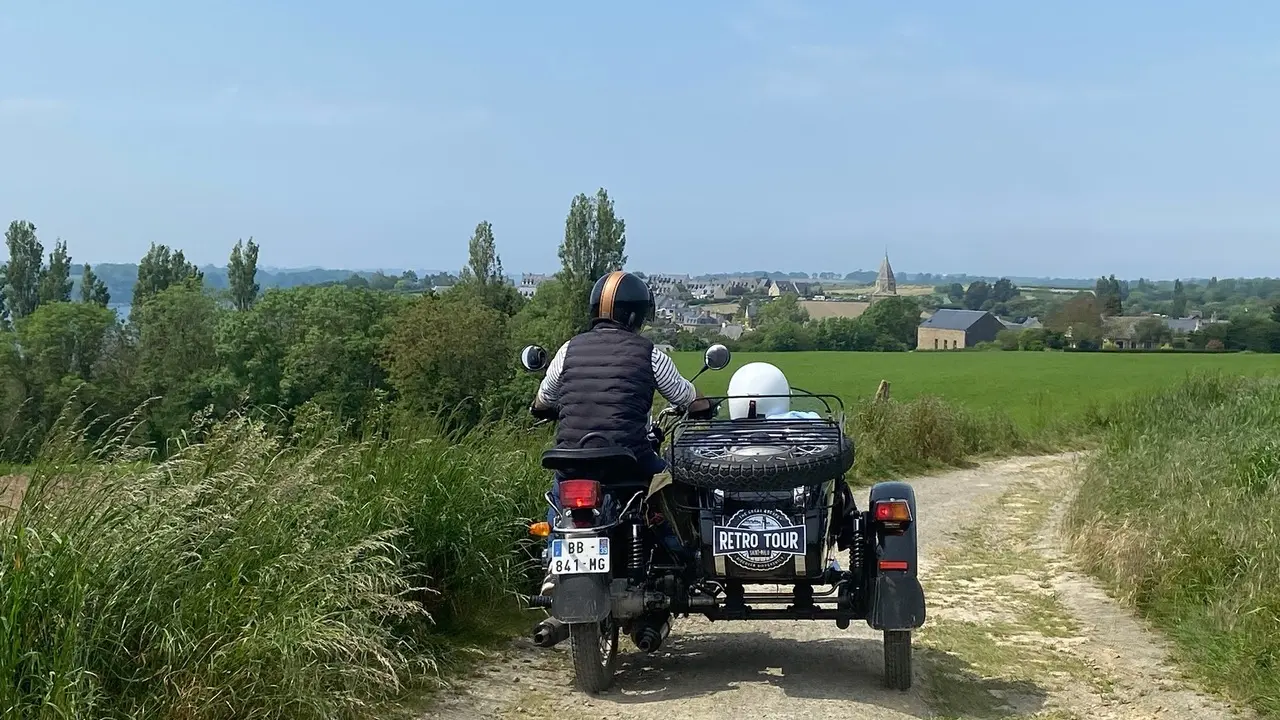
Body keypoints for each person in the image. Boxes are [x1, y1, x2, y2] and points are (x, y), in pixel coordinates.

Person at [530, 270, 701, 595]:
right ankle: (682, 556)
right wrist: (701, 405)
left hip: (571, 461)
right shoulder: (649, 354)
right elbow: (685, 396)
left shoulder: (568, 350)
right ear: (636, 315)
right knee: (671, 485)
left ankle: (553, 562)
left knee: (557, 498)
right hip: (628, 459)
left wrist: (542, 408)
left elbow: (544, 398)